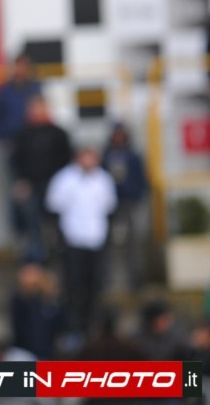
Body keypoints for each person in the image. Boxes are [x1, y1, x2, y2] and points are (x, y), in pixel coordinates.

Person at [45, 148, 117, 337]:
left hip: (96, 240)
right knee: (74, 285)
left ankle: (91, 325)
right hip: (73, 240)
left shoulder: (103, 180)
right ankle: (73, 326)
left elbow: (109, 210)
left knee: (95, 284)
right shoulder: (64, 179)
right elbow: (53, 209)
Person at [10, 95, 72, 261]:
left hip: (55, 187)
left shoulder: (59, 134)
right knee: (33, 224)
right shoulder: (23, 134)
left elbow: (66, 161)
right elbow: (17, 161)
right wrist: (21, 182)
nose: (37, 112)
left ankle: (58, 255)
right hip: (31, 186)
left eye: (40, 108)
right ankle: (37, 259)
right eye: (34, 109)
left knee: (56, 223)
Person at [101, 122, 149, 290]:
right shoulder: (106, 156)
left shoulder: (133, 156)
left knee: (133, 242)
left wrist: (135, 194)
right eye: (116, 134)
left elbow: (141, 179)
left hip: (129, 201)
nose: (119, 137)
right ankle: (106, 279)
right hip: (109, 204)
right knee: (106, 243)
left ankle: (135, 280)